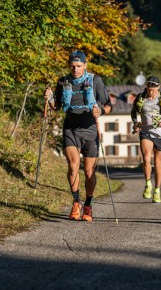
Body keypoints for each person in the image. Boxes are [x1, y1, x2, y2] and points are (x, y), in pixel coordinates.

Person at [44, 50, 112, 222]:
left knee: (89, 172)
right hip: (71, 129)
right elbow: (57, 105)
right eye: (72, 66)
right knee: (73, 166)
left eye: (79, 66)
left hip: (90, 129)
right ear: (69, 66)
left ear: (85, 66)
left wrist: (101, 111)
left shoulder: (95, 81)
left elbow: (109, 105)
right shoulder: (63, 81)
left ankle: (88, 204)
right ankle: (76, 202)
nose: (75, 69)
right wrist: (50, 98)